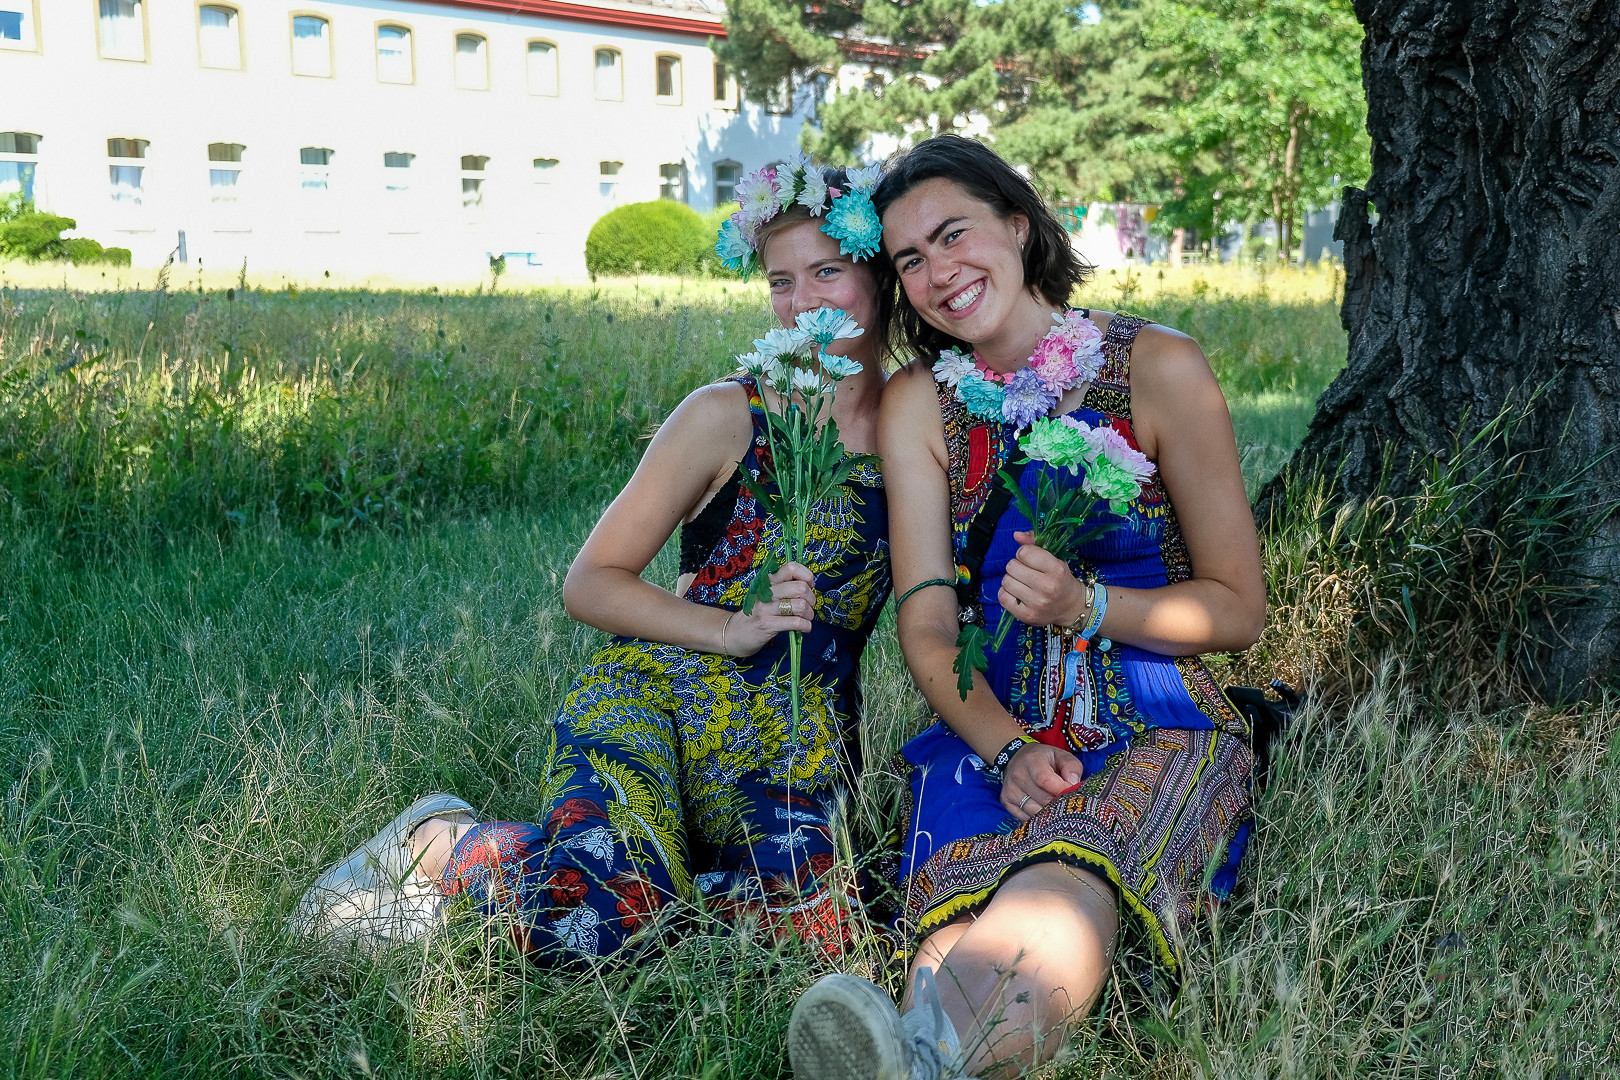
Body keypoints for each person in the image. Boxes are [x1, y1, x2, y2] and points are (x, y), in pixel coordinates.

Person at [290, 161, 894, 964]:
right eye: (781, 281)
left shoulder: (916, 430)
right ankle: (444, 842)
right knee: (611, 915)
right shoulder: (725, 414)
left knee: (814, 934)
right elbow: (591, 581)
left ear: (881, 274)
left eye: (828, 270)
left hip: (795, 748)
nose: (801, 301)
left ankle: (586, 880)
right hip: (654, 699)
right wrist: (726, 629)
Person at [787, 136, 1265, 1079]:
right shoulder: (923, 404)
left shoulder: (1156, 367)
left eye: (953, 233)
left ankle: (927, 1059)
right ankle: (919, 1053)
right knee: (954, 921)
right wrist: (1002, 746)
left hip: (1152, 718)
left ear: (1018, 222)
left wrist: (1088, 606)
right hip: (987, 723)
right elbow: (926, 625)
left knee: (1062, 880)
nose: (937, 273)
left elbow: (1236, 608)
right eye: (910, 260)